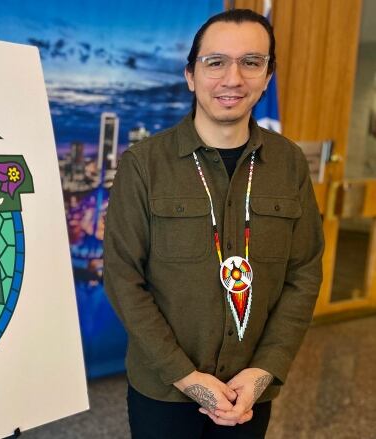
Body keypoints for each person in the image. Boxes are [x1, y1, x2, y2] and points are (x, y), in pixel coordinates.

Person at [103, 8, 324, 438]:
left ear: (267, 76)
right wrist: (186, 376)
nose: (233, 78)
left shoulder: (289, 163)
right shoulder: (144, 165)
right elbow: (123, 277)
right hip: (163, 391)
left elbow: (303, 273)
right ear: (191, 75)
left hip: (249, 392)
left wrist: (264, 371)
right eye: (216, 62)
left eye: (251, 62)